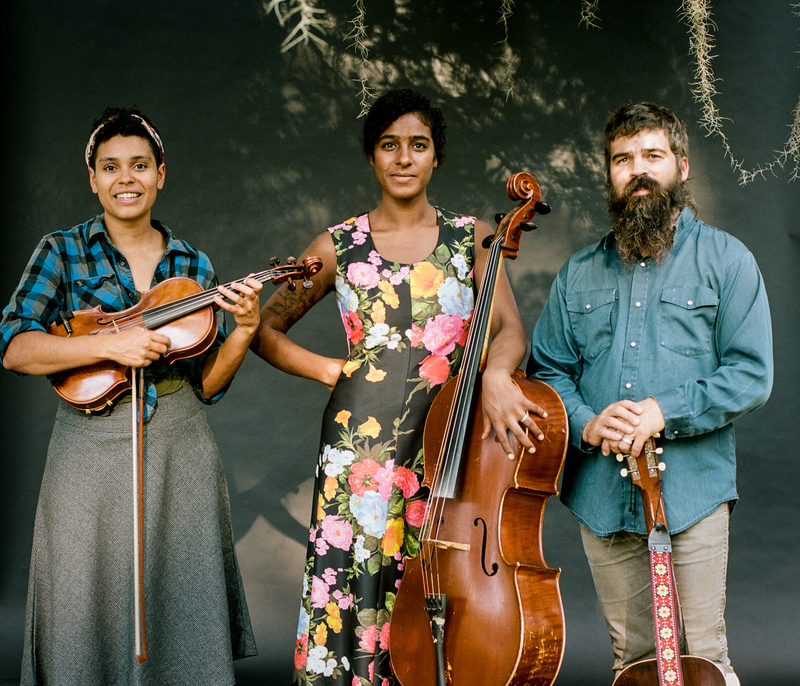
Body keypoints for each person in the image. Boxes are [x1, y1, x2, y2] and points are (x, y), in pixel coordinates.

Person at [251, 89, 545, 685]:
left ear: (436, 157)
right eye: (390, 146)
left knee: (432, 582)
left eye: (419, 145)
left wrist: (492, 371)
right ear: (372, 157)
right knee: (357, 584)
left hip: (446, 445)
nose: (404, 158)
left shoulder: (475, 236)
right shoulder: (340, 244)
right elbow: (262, 328)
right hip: (359, 455)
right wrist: (331, 371)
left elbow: (512, 332)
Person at [0, 107, 262, 685]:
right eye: (110, 166)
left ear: (160, 174)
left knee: (180, 590)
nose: (126, 178)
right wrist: (110, 350)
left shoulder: (193, 265)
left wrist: (242, 331)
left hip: (180, 441)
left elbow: (209, 386)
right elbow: (17, 349)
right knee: (82, 594)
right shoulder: (61, 250)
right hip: (90, 444)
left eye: (140, 165)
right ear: (92, 178)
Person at [528, 102, 773, 685]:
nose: (637, 170)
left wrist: (666, 410)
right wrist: (587, 423)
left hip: (693, 492)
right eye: (622, 159)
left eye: (652, 156)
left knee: (706, 657)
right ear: (609, 173)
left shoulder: (726, 260)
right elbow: (546, 369)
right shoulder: (578, 273)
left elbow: (750, 373)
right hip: (602, 498)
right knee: (632, 663)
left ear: (681, 167)